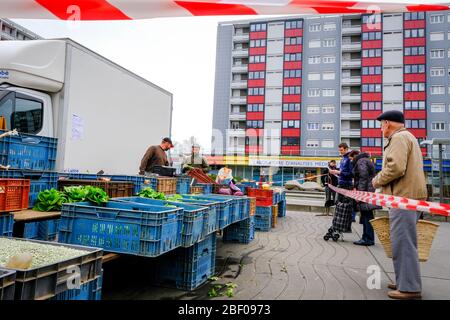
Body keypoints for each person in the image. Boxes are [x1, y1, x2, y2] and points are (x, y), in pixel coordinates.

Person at [372, 110, 427, 300]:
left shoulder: (399, 138)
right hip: (409, 196)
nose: (380, 129)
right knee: (402, 242)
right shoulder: (408, 136)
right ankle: (404, 281)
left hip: (403, 197)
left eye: (381, 125)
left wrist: (376, 181)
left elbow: (395, 168)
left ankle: (409, 288)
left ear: (387, 123)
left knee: (403, 243)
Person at [349, 150, 378, 246]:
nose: (351, 160)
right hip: (368, 191)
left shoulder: (361, 161)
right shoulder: (365, 160)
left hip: (365, 192)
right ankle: (366, 237)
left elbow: (363, 177)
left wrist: (359, 194)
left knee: (367, 216)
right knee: (367, 215)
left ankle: (368, 238)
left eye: (351, 158)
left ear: (355, 156)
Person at [329, 142, 354, 232]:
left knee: (345, 206)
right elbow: (343, 171)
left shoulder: (349, 159)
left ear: (346, 149)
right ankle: (338, 225)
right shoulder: (343, 158)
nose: (340, 152)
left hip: (347, 185)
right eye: (339, 150)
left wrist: (339, 172)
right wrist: (336, 171)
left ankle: (345, 227)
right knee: (339, 206)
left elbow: (352, 174)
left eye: (342, 150)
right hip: (341, 183)